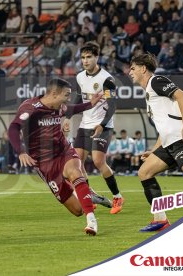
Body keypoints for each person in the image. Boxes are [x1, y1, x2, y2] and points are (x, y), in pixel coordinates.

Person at [8, 78, 104, 235]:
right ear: (53, 93)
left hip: (63, 151)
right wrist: (21, 151)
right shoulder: (31, 108)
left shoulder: (60, 107)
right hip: (44, 163)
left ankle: (92, 221)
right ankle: (86, 195)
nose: (68, 99)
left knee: (75, 172)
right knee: (77, 210)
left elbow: (72, 109)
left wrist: (90, 104)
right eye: (66, 95)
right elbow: (13, 127)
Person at [129, 53, 183, 232]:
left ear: (143, 68)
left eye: (133, 68)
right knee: (144, 172)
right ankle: (160, 220)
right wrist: (154, 150)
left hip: (182, 139)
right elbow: (163, 127)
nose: (130, 72)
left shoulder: (156, 80)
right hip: (168, 143)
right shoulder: (149, 94)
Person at [63, 42, 124, 215]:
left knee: (98, 161)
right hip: (85, 124)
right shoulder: (80, 77)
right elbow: (77, 98)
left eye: (89, 57)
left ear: (96, 57)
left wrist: (102, 125)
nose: (85, 60)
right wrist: (68, 117)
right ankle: (88, 196)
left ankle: (117, 196)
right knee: (77, 163)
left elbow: (112, 106)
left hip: (102, 125)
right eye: (83, 57)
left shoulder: (107, 79)